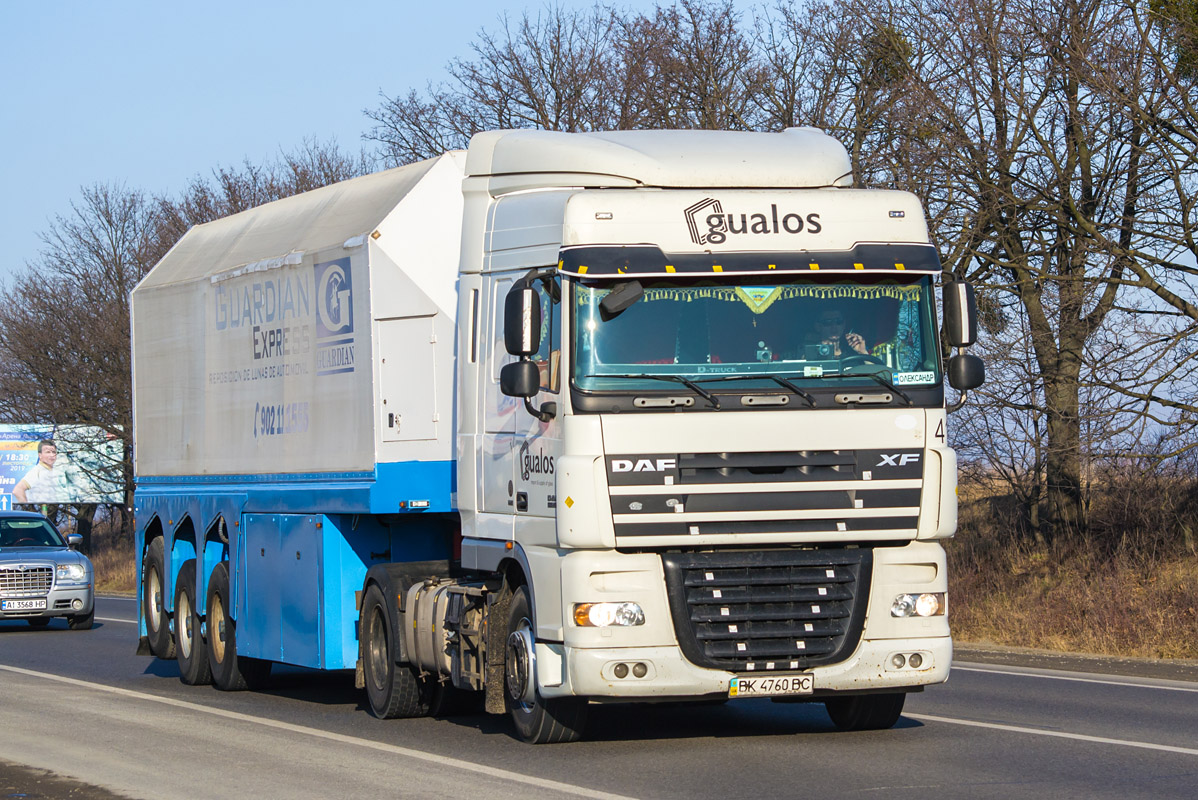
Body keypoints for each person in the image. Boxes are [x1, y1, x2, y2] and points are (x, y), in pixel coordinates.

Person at [13, 440, 69, 504]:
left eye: (53, 452)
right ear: (40, 455)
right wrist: (27, 509)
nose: (51, 455)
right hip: (40, 511)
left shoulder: (56, 471)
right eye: (48, 452)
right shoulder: (36, 472)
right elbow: (17, 490)